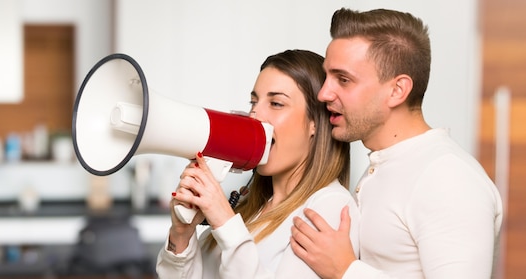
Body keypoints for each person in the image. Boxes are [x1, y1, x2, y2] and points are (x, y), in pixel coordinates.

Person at [289, 8, 504, 279]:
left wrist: (346, 271)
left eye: (343, 79)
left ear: (397, 90)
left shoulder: (447, 177)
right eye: (327, 77)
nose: (323, 93)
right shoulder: (386, 165)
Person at [156, 49, 360, 278]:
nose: (255, 115)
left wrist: (224, 220)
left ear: (315, 123)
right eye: (254, 102)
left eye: (276, 103)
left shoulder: (329, 206)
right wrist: (181, 235)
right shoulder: (253, 208)